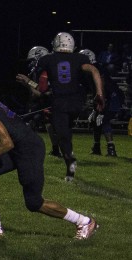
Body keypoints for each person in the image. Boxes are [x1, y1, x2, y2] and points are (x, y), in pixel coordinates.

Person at [0, 70, 98, 239]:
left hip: (28, 148)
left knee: (34, 202)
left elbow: (6, 142)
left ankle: (84, 222)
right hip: (17, 147)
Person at [16, 32, 104, 181]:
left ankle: (70, 163)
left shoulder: (47, 59)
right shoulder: (81, 58)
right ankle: (70, 162)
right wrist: (99, 94)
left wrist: (27, 82)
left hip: (59, 103)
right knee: (66, 131)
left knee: (64, 136)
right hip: (77, 103)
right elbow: (95, 71)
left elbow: (41, 91)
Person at [15, 46, 61, 157]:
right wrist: (29, 83)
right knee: (48, 124)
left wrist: (28, 83)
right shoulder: (43, 70)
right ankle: (55, 149)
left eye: (33, 60)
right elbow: (39, 88)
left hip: (46, 101)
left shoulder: (45, 72)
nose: (31, 64)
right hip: (45, 100)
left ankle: (27, 150)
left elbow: (40, 93)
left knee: (30, 123)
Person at [79, 49, 121, 157]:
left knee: (104, 119)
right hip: (104, 97)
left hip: (112, 98)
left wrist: (101, 107)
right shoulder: (89, 71)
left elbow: (103, 89)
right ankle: (96, 147)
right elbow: (95, 90)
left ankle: (111, 149)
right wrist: (95, 108)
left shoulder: (97, 69)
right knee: (95, 121)